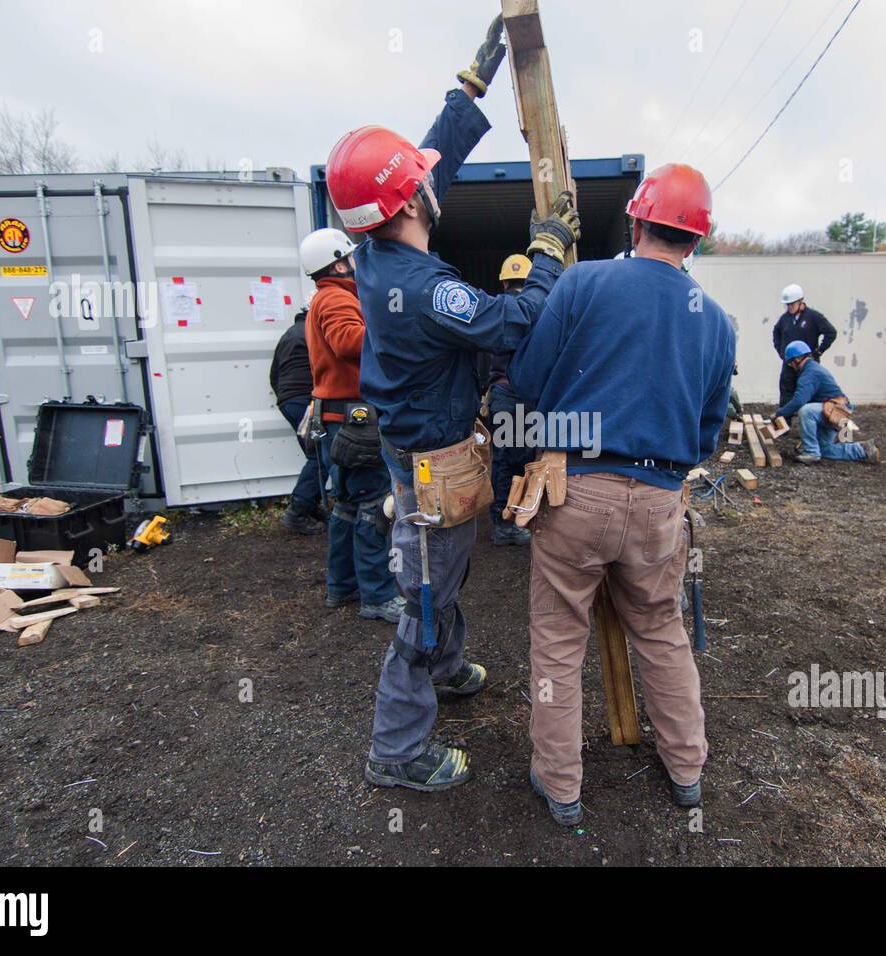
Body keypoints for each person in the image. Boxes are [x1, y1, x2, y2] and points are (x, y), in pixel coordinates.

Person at [324, 14, 581, 792]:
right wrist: (548, 252)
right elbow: (512, 318)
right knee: (425, 595)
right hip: (431, 463)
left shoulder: (372, 250)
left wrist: (470, 86)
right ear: (411, 203)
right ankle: (397, 750)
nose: (434, 184)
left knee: (444, 570)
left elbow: (424, 163)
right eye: (421, 185)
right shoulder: (428, 290)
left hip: (418, 451)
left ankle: (448, 665)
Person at [508, 162, 735, 826]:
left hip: (575, 489)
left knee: (557, 637)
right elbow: (705, 431)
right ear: (695, 242)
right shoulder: (715, 322)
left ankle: (562, 787)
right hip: (661, 499)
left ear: (635, 220)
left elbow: (526, 376)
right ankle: (687, 769)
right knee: (662, 632)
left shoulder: (584, 281)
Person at [300, 226, 405, 623]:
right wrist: (391, 332)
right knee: (372, 508)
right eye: (352, 258)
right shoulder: (335, 299)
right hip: (354, 421)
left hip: (337, 419)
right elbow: (348, 341)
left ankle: (341, 587)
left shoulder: (324, 299)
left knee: (346, 507)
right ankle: (377, 597)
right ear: (339, 262)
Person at [485, 253, 536, 546]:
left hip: (502, 394)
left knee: (506, 460)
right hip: (522, 396)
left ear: (504, 282)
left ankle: (508, 518)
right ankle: (506, 524)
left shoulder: (492, 310)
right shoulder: (534, 313)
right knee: (519, 460)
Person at [771, 341, 879, 465]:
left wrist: (779, 413)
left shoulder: (809, 374)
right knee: (824, 449)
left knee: (806, 411)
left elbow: (799, 401)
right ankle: (863, 450)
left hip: (836, 411)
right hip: (832, 411)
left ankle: (811, 452)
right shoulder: (812, 369)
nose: (790, 366)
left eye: (790, 362)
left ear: (798, 359)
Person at [269, 303, 325, 535]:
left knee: (317, 455)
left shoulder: (288, 334)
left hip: (288, 400)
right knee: (320, 456)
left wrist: (285, 398)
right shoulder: (313, 331)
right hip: (305, 400)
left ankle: (310, 505)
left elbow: (274, 373)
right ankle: (298, 510)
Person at [773, 284, 837, 409]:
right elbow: (776, 332)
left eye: (792, 304)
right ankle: (784, 426)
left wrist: (818, 352)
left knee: (810, 396)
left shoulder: (814, 317)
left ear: (800, 302)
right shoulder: (785, 319)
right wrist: (781, 352)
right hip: (789, 365)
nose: (789, 307)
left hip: (807, 366)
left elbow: (831, 332)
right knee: (786, 395)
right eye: (787, 304)